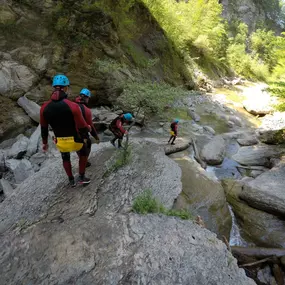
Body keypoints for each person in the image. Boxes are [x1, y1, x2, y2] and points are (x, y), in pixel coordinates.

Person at [40, 74, 91, 187]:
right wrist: (88, 130)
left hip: (60, 142)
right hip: (75, 141)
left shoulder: (44, 107)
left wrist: (45, 143)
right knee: (84, 153)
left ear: (54, 87)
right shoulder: (73, 106)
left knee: (65, 157)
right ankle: (81, 177)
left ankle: (71, 180)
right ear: (66, 88)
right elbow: (82, 126)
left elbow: (43, 128)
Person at [74, 88, 100, 167]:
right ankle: (83, 164)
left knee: (78, 147)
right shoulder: (87, 110)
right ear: (86, 98)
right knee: (87, 145)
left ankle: (82, 160)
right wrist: (96, 137)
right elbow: (91, 125)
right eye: (88, 98)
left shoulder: (72, 105)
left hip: (70, 132)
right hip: (81, 133)